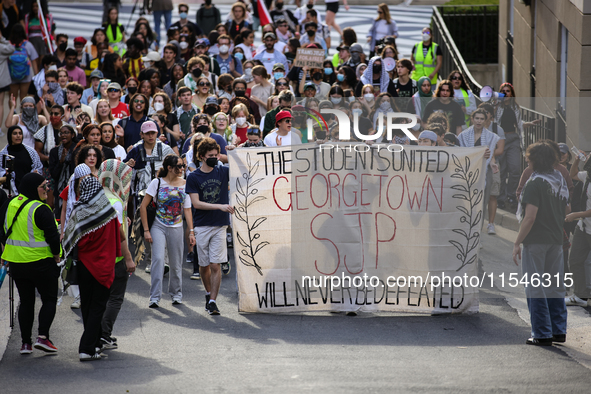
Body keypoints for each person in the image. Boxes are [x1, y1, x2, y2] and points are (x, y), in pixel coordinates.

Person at [513, 141, 569, 346]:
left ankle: (542, 333)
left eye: (529, 158)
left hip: (536, 240)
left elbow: (529, 218)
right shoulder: (559, 180)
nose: (527, 162)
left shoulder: (535, 183)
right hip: (556, 239)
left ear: (535, 160)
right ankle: (558, 330)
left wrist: (517, 242)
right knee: (555, 286)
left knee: (535, 287)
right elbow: (566, 211)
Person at [0, 172, 62, 355]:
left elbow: (2, 230)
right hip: (41, 263)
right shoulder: (41, 209)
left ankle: (25, 344)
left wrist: (4, 250)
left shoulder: (9, 204)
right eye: (44, 186)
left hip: (17, 264)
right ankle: (43, 338)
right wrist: (57, 255)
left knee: (26, 302)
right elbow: (52, 236)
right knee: (49, 299)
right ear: (33, 188)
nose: (47, 189)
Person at [62, 175, 121, 361]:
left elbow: (70, 239)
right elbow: (117, 240)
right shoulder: (109, 212)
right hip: (103, 266)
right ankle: (86, 348)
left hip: (83, 266)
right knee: (98, 307)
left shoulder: (78, 210)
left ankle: (94, 344)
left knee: (87, 305)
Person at [187, 137, 234, 315]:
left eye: (216, 155)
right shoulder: (193, 177)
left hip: (220, 225)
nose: (215, 158)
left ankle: (213, 301)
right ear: (201, 156)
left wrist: (232, 153)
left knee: (216, 265)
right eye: (211, 155)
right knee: (204, 265)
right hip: (201, 226)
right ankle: (208, 293)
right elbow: (196, 204)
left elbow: (244, 165)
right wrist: (220, 206)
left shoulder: (223, 172)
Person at [141, 154, 194, 308]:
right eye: (179, 166)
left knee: (176, 263)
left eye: (183, 166)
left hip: (177, 227)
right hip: (158, 225)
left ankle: (176, 294)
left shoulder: (185, 184)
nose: (182, 169)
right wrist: (146, 230)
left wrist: (191, 232)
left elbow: (188, 210)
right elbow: (143, 206)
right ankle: (155, 297)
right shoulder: (157, 183)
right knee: (157, 260)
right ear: (169, 168)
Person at [98, 158, 135, 350]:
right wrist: (129, 258)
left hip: (95, 257)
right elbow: (119, 235)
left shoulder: (93, 195)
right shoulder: (115, 200)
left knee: (98, 298)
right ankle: (104, 334)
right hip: (115, 257)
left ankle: (96, 336)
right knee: (114, 297)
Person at [457, 109, 498, 221]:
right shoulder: (463, 135)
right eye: (477, 118)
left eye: (481, 119)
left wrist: (493, 163)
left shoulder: (491, 137)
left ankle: (478, 228)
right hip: (467, 171)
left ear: (485, 120)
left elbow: (491, 154)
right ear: (472, 119)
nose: (479, 121)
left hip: (485, 170)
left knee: (483, 200)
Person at [564, 152, 591, 308]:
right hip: (584, 227)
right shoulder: (587, 176)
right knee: (575, 260)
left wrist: (576, 215)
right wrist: (576, 160)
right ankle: (580, 295)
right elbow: (572, 174)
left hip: (584, 221)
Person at [48, 124, 76, 218]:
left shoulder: (77, 150)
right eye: (61, 133)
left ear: (72, 135)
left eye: (66, 133)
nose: (63, 135)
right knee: (60, 216)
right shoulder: (54, 152)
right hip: (59, 191)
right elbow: (54, 174)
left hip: (74, 189)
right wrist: (61, 162)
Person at [8, 24, 38, 103]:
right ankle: (22, 113)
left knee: (12, 98)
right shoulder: (28, 45)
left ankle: (13, 112)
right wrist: (37, 76)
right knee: (24, 97)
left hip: (12, 76)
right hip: (26, 76)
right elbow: (34, 60)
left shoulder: (8, 45)